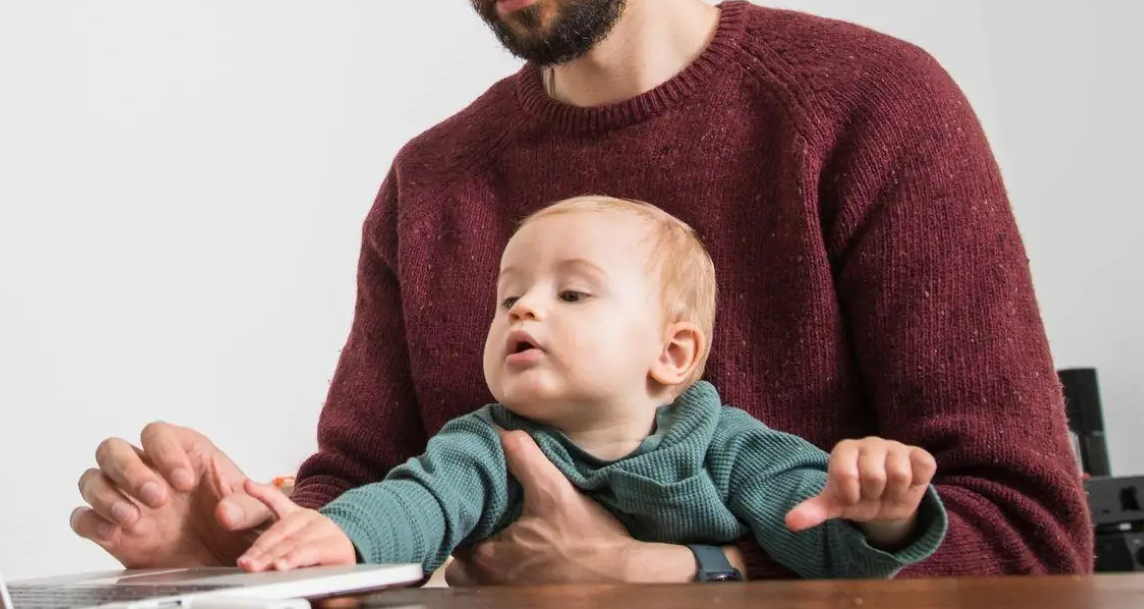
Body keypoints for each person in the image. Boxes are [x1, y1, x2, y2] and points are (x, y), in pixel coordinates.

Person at [70, 0, 1093, 581]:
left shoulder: (870, 105)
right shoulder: (429, 184)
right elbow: (367, 495)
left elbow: (1027, 538)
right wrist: (246, 556)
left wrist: (681, 575)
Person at [231, 195, 949, 580]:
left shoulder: (725, 444)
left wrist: (880, 513)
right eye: (509, 297)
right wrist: (344, 533)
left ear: (672, 353)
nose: (525, 308)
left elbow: (819, 541)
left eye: (572, 295)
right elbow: (422, 503)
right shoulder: (490, 445)